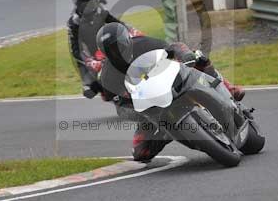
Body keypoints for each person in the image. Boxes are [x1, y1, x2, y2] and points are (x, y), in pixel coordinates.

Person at [95, 22, 245, 162]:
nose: (116, 53)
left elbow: (173, 47)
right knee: (140, 153)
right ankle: (169, 131)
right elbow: (115, 102)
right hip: (151, 108)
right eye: (111, 51)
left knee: (198, 58)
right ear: (105, 53)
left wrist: (185, 55)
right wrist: (129, 104)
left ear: (127, 40)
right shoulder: (108, 75)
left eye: (118, 46)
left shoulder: (143, 43)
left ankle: (227, 87)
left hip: (172, 81)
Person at [67, 0, 123, 99]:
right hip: (88, 54)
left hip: (105, 45)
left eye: (91, 4)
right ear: (78, 5)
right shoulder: (74, 23)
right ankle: (94, 86)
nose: (88, 7)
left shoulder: (100, 12)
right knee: (90, 88)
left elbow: (118, 24)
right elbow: (75, 49)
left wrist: (131, 30)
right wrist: (89, 61)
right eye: (84, 5)